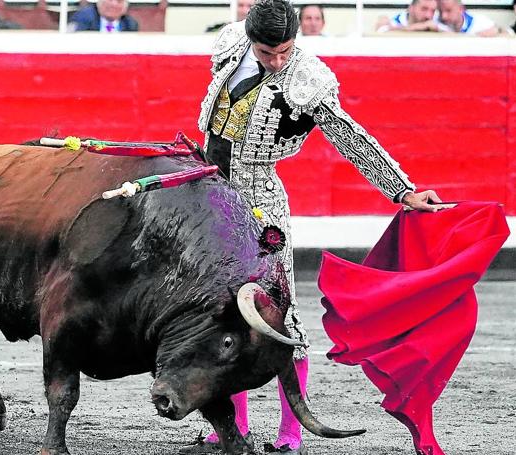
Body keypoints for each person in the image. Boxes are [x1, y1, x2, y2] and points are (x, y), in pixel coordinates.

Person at [182, 0, 443, 454]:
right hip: (211, 195)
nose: (278, 61)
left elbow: (350, 136)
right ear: (249, 40)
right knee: (220, 310)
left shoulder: (309, 79)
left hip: (261, 201)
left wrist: (402, 190)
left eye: (285, 50)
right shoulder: (228, 46)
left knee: (279, 312)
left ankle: (291, 431)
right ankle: (232, 426)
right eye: (267, 53)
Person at [376, 0, 449, 33]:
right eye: (424, 9)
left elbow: (453, 33)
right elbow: (381, 30)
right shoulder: (396, 21)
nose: (428, 15)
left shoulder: (436, 21)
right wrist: (420, 27)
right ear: (411, 8)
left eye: (433, 11)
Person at [68, 0, 138, 32]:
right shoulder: (83, 18)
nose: (113, 4)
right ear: (99, 3)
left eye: (119, 1)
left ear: (125, 8)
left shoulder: (130, 24)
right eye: (110, 0)